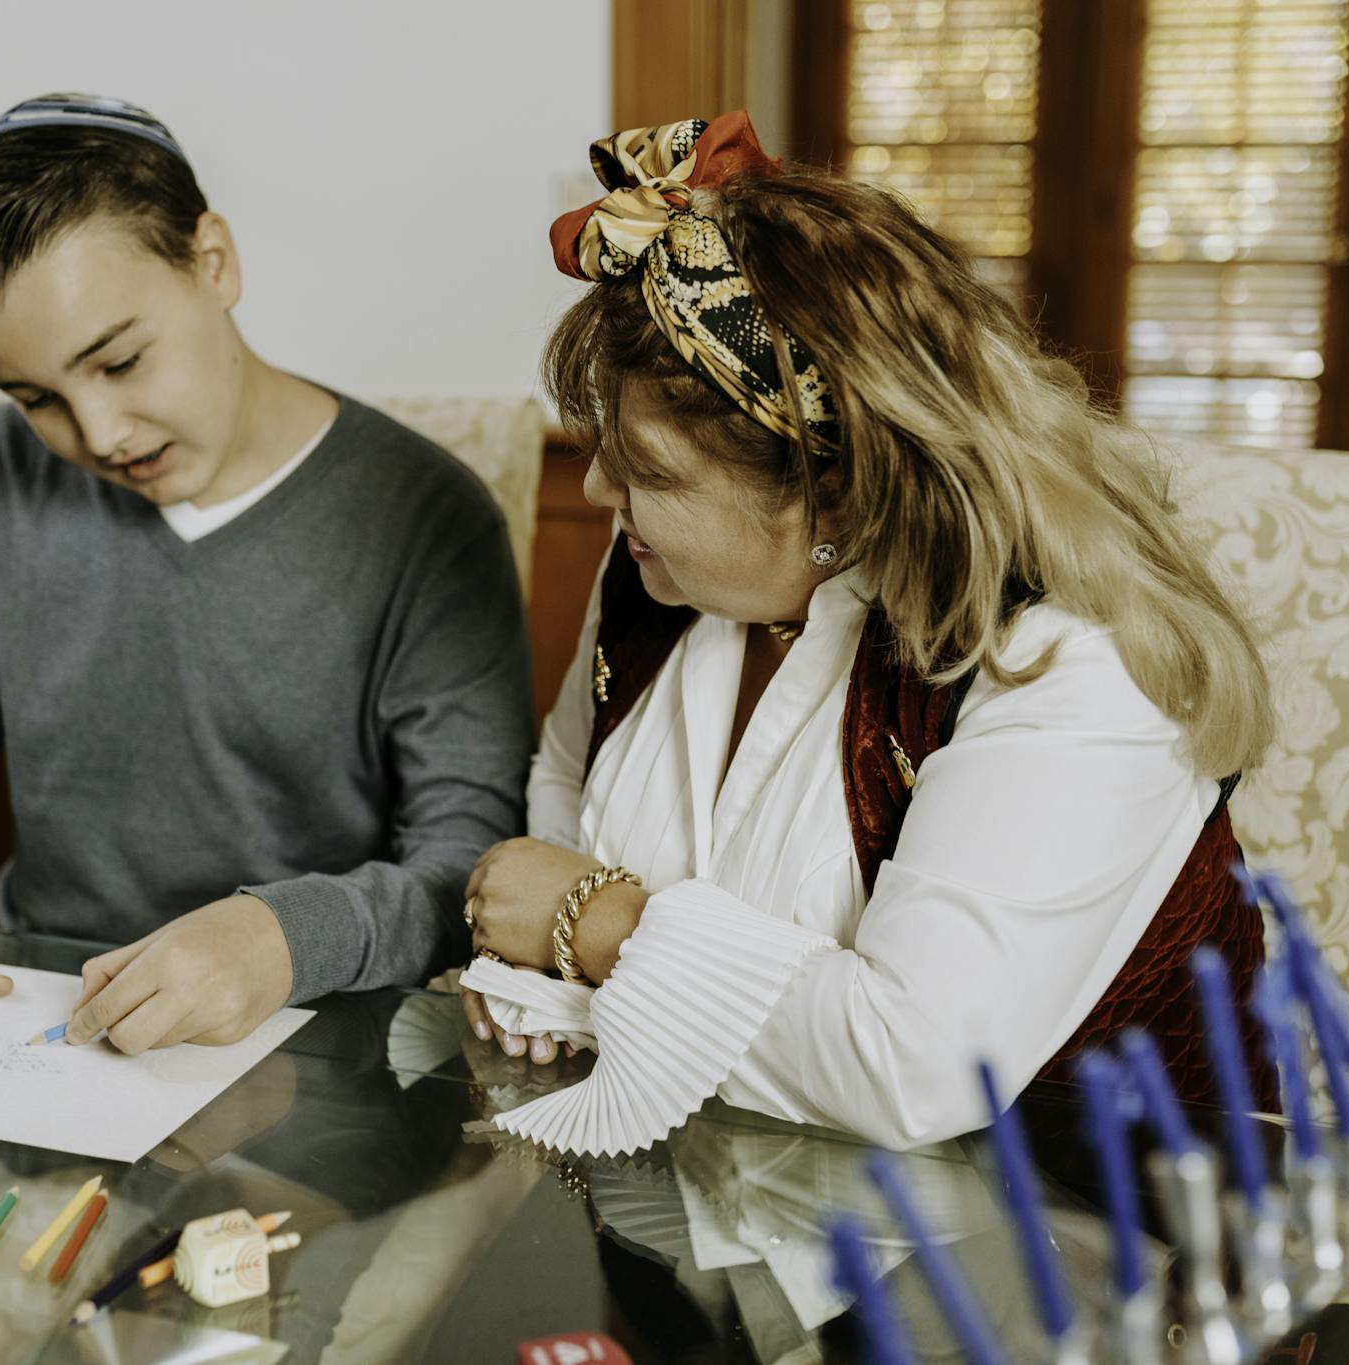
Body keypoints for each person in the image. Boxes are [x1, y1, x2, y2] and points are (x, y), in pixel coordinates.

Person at [459, 111, 1277, 1153]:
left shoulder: (1066, 662)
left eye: (649, 471)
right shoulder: (657, 578)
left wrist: (598, 929)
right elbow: (565, 800)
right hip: (722, 1212)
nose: (594, 488)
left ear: (833, 497)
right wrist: (549, 961)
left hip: (1078, 1246)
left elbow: (913, 1067)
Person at [0, 94, 532, 1073]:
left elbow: (474, 863)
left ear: (213, 262)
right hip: (51, 1031)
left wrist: (282, 937)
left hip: (331, 1046)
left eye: (120, 360)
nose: (99, 435)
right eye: (35, 397)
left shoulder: (426, 513)